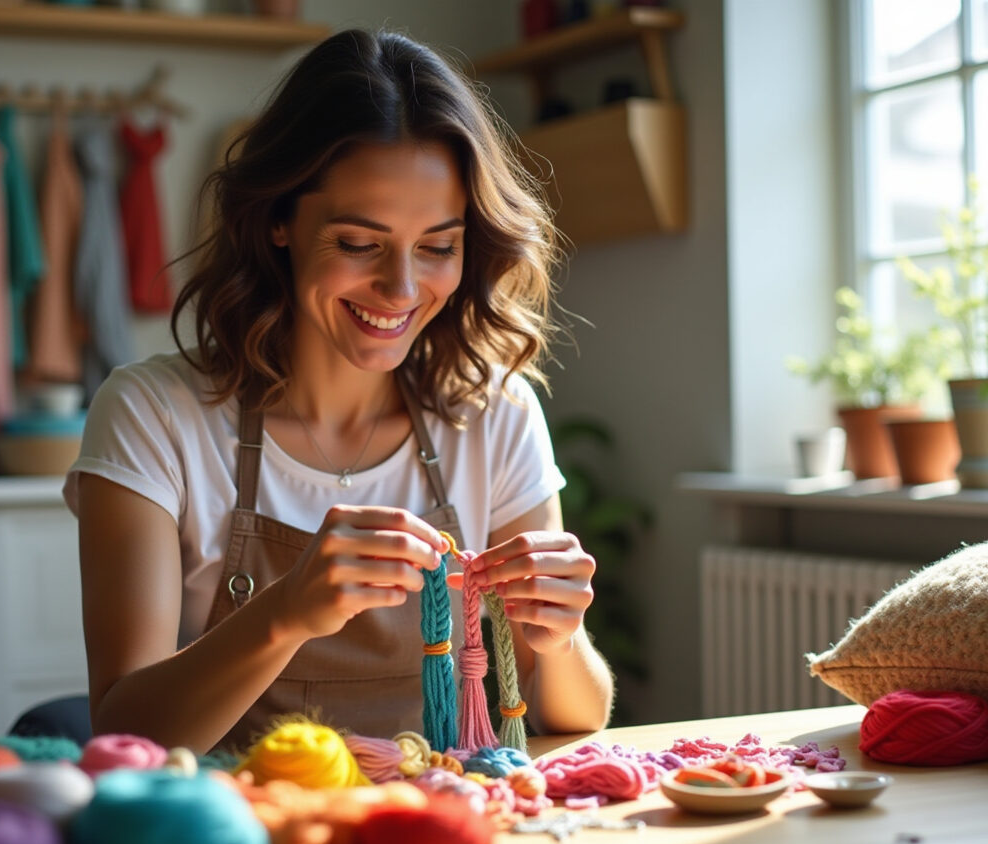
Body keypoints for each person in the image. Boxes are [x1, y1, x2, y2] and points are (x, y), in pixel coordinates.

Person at [65, 28, 614, 754]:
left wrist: (563, 637)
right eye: (359, 244)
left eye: (439, 246)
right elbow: (123, 729)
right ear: (278, 221)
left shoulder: (496, 413)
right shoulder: (152, 416)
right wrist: (286, 612)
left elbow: (574, 720)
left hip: (442, 813)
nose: (402, 288)